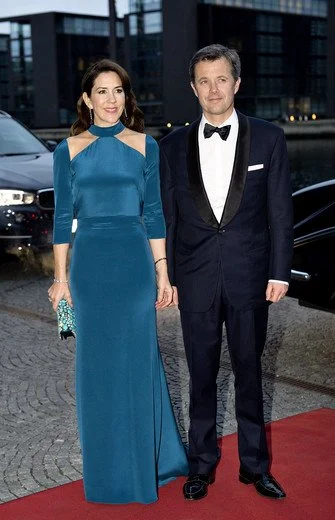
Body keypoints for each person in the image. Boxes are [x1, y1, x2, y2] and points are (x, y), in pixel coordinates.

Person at [48, 59, 188, 505]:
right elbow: (61, 219)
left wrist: (163, 272)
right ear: (87, 99)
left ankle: (147, 462)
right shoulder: (67, 150)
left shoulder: (146, 145)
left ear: (127, 98)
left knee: (138, 362)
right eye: (102, 92)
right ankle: (107, 474)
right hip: (89, 268)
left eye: (119, 91)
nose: (111, 100)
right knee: (95, 370)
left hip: (133, 267)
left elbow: (153, 215)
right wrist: (60, 279)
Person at [159, 44, 293, 501]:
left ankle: (254, 468)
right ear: (192, 88)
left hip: (250, 277)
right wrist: (167, 277)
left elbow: (280, 212)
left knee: (250, 374)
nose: (213, 89)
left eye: (221, 79)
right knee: (199, 375)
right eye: (203, 80)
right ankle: (201, 464)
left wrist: (280, 272)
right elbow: (169, 218)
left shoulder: (270, 137)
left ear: (237, 83)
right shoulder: (171, 145)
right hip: (194, 279)